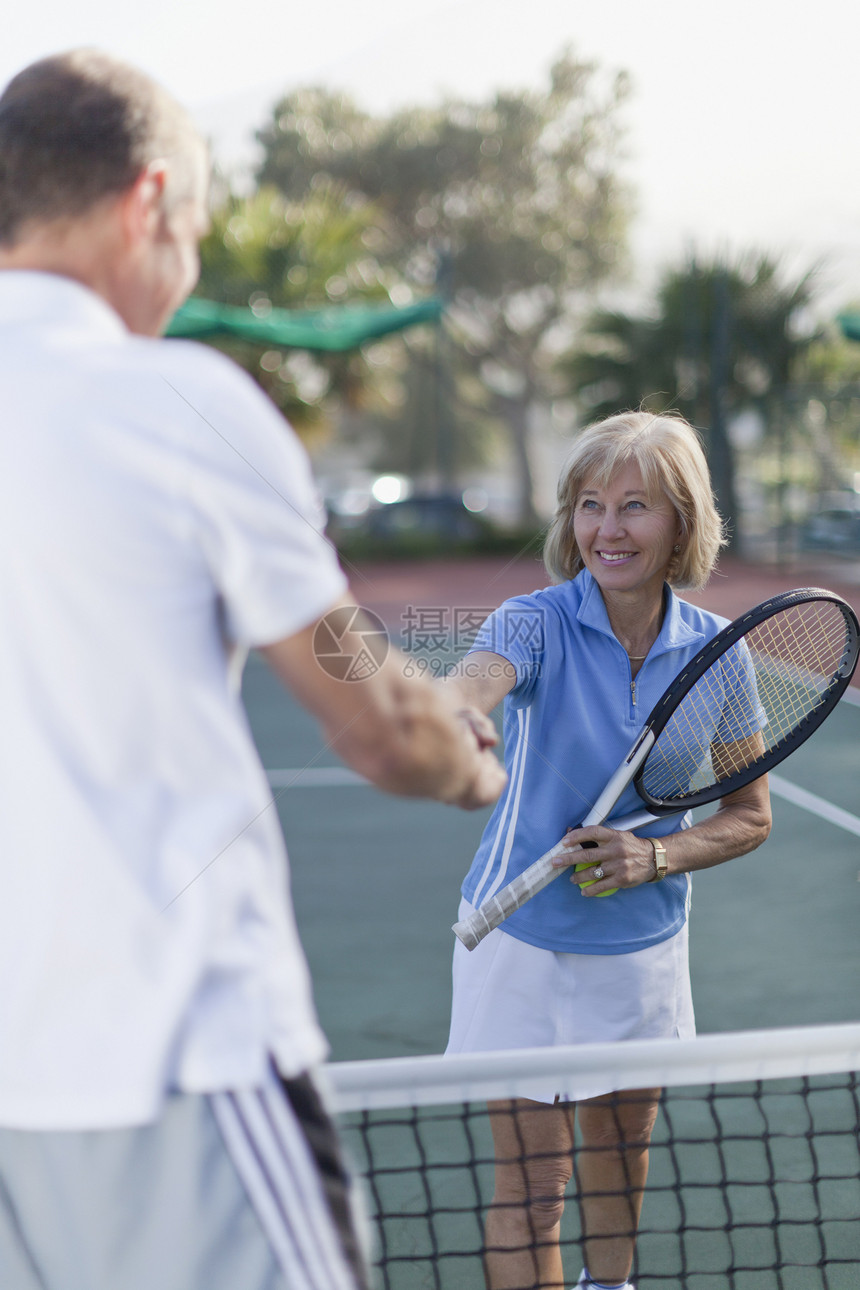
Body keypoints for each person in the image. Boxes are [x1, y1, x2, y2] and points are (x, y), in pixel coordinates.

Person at [0, 49, 506, 1290]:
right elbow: (373, 710)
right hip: (173, 1066)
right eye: (197, 234)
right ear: (147, 203)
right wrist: (462, 758)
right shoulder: (181, 403)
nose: (188, 273)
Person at [444, 411, 772, 1290]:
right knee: (534, 1188)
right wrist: (452, 716)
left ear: (681, 525)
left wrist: (653, 858)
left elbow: (750, 814)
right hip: (516, 943)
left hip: (642, 953)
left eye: (635, 506)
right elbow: (476, 684)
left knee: (619, 1169)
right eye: (590, 504)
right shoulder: (535, 622)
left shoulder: (719, 655)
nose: (607, 529)